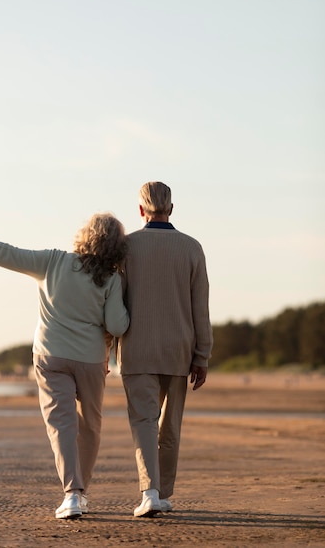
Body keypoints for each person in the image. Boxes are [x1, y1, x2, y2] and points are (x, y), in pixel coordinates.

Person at [0, 214, 130, 519]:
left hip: (51, 355)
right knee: (90, 425)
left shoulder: (53, 262)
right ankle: (80, 493)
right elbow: (117, 325)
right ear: (117, 245)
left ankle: (71, 494)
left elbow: (8, 253)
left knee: (62, 425)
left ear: (85, 235)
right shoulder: (111, 277)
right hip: (90, 359)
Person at [117, 182, 213, 517]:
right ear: (171, 208)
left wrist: (105, 346)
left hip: (136, 349)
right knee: (170, 426)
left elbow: (115, 305)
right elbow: (200, 307)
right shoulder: (191, 248)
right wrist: (202, 356)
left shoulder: (126, 247)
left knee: (144, 422)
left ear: (140, 210)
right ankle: (161, 493)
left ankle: (151, 492)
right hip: (179, 351)